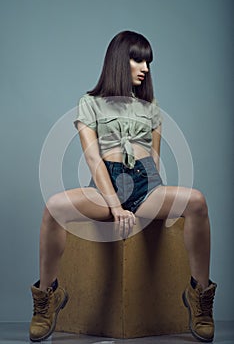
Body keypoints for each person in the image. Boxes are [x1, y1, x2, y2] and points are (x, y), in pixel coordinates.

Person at [29, 30, 216, 343]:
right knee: (54, 208)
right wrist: (115, 205)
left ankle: (200, 298)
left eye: (148, 61)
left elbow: (154, 159)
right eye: (138, 59)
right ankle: (47, 298)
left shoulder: (151, 107)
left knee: (196, 201)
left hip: (147, 186)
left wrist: (149, 206)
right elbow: (92, 158)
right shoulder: (89, 103)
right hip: (105, 186)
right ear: (119, 59)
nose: (145, 67)